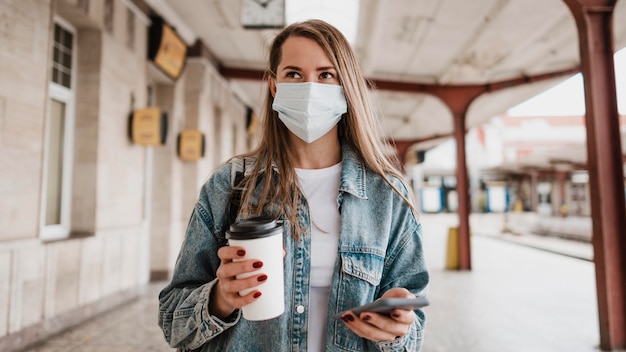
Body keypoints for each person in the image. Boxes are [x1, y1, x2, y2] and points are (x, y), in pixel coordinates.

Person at [158, 19, 429, 351]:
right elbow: (173, 322)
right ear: (274, 86)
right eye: (294, 74)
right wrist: (220, 297)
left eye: (326, 74)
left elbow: (412, 337)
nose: (310, 87)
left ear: (346, 87)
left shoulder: (388, 196)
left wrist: (399, 324)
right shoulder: (229, 186)